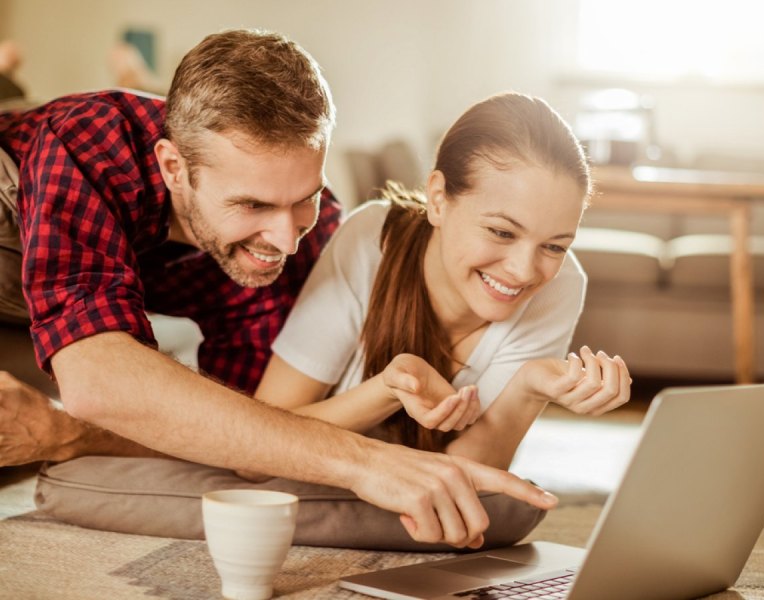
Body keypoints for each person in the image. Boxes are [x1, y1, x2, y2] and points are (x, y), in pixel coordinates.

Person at [0, 29, 557, 549]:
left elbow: (250, 434)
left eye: (304, 199)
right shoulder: (92, 142)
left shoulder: (309, 240)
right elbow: (100, 383)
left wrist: (66, 434)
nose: (286, 240)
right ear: (172, 166)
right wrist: (361, 461)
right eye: (253, 204)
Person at [257, 93, 631, 469]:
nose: (523, 271)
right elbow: (261, 444)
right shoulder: (370, 241)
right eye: (501, 232)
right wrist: (389, 389)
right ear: (437, 199)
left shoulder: (558, 286)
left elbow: (467, 477)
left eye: (554, 246)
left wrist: (528, 388)